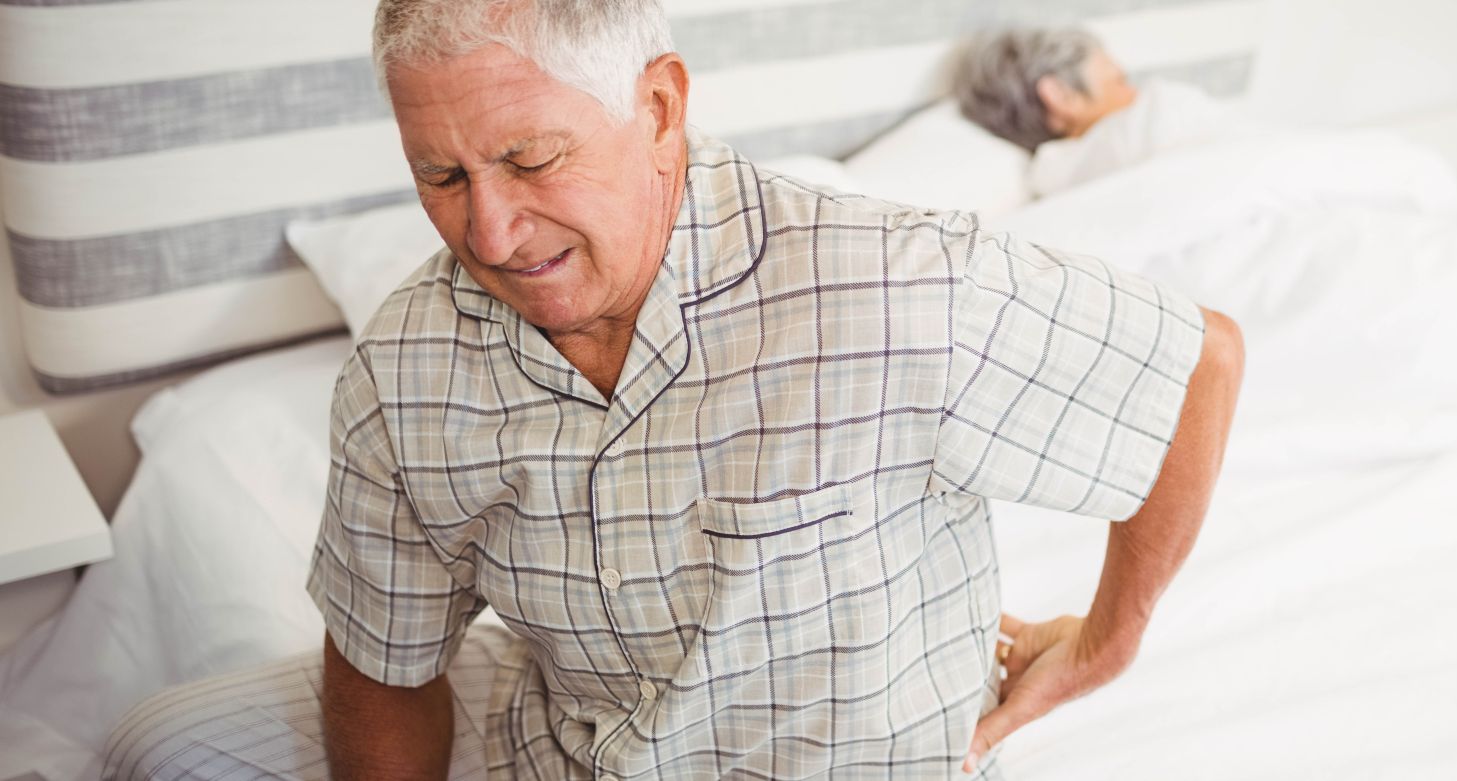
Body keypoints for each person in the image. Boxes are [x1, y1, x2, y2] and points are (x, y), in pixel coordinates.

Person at [104, 1, 1243, 778]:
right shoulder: (407, 369)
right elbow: (382, 668)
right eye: (441, 176)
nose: (488, 231)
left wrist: (1106, 640)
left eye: (532, 160)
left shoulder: (891, 284)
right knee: (161, 741)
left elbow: (1198, 361)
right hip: (563, 721)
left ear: (658, 109)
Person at [952, 28, 1254, 197]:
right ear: (1062, 96)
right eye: (1118, 81)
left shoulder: (1054, 182)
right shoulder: (1151, 118)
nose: (1136, 93)